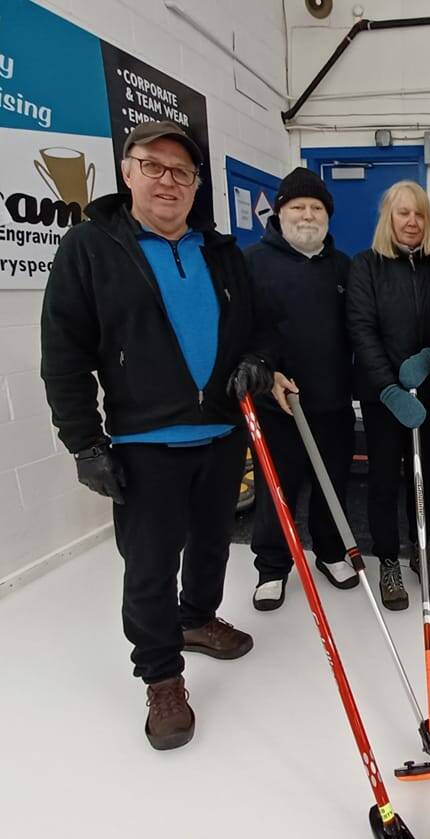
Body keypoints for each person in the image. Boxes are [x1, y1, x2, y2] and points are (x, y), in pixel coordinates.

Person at [40, 121, 278, 750]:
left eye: (183, 173)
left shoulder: (221, 251)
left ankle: (197, 619)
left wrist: (255, 358)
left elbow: (255, 329)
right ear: (128, 172)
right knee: (149, 564)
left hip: (222, 431)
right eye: (155, 167)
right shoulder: (92, 248)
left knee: (213, 545)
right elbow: (63, 352)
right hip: (144, 442)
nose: (169, 182)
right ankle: (162, 676)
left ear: (197, 185)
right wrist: (85, 443)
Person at [245, 168, 356, 610]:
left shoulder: (344, 267)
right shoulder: (251, 263)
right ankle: (272, 568)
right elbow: (241, 332)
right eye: (297, 207)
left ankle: (330, 553)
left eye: (316, 207)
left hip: (332, 403)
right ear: (280, 212)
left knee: (333, 486)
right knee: (278, 490)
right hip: (277, 407)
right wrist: (267, 373)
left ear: (327, 215)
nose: (307, 215)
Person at [346, 181, 430, 610]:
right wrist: (389, 387)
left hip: (426, 391)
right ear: (388, 218)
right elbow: (361, 329)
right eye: (403, 213)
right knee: (382, 478)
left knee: (421, 472)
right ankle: (389, 560)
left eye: (419, 215)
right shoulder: (366, 267)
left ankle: (421, 550)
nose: (412, 222)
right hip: (383, 396)